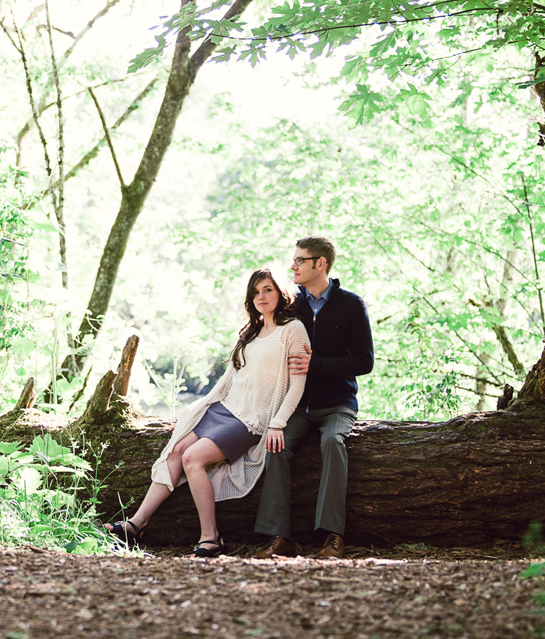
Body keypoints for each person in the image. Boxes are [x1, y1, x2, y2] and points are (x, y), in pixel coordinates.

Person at [103, 267, 309, 557]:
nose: (261, 297)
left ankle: (211, 537)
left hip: (251, 420)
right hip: (224, 410)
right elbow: (230, 380)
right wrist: (201, 406)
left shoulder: (293, 330)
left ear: (280, 292)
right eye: (256, 292)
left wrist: (277, 423)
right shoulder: (252, 330)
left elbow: (297, 384)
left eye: (268, 290)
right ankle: (136, 524)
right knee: (175, 452)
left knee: (193, 458)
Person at [252, 236, 374, 560]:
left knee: (333, 442)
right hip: (297, 406)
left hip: (338, 404)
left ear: (320, 264)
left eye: (300, 260)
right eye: (293, 260)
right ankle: (280, 537)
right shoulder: (293, 306)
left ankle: (333, 536)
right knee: (275, 446)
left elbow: (365, 361)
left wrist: (317, 364)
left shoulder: (351, 305)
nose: (293, 266)